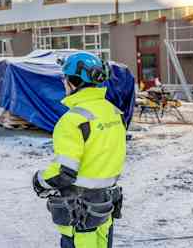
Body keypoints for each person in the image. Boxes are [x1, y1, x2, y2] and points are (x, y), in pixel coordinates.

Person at [32, 52, 127, 248]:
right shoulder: (113, 112)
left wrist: (40, 181)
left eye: (65, 79)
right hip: (104, 207)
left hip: (80, 212)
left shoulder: (72, 120)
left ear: (72, 82)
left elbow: (64, 173)